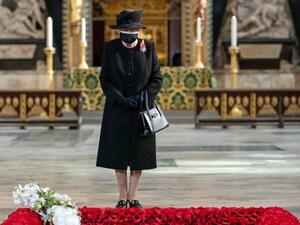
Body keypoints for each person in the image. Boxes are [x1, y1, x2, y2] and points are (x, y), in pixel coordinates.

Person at [96, 9, 163, 208]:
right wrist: (120, 99)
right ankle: (121, 197)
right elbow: (105, 79)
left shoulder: (149, 48)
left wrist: (142, 97)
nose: (129, 32)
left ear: (138, 30)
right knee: (118, 155)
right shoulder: (111, 48)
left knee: (138, 156)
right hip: (117, 110)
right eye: (125, 29)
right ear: (119, 31)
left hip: (142, 111)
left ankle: (133, 197)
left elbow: (156, 79)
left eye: (133, 29)